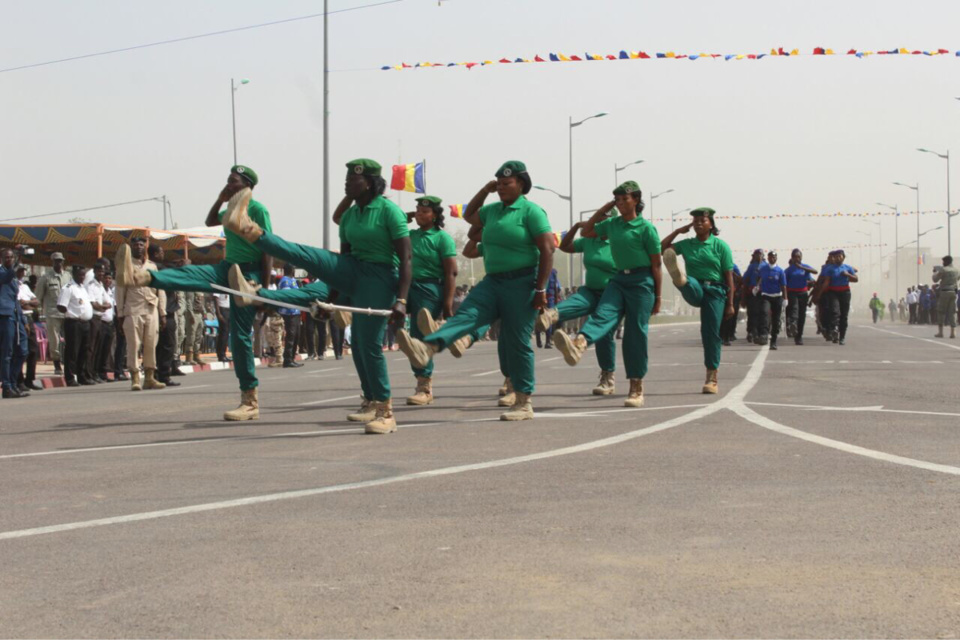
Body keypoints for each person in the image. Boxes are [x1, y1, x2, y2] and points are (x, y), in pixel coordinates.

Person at [223, 158, 412, 433]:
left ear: (369, 182)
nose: (347, 183)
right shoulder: (349, 216)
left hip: (380, 277)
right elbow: (343, 260)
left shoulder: (388, 211)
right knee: (307, 256)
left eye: (353, 179)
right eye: (346, 179)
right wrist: (332, 300)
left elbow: (406, 258)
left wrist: (402, 300)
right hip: (353, 269)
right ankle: (247, 229)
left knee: (366, 343)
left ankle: (385, 412)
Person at [394, 160, 554, 421]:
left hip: (523, 282)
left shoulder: (531, 212)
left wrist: (540, 289)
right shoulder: (491, 211)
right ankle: (429, 347)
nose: (501, 188)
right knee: (467, 313)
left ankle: (523, 401)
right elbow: (469, 216)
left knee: (516, 342)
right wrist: (485, 190)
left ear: (521, 184)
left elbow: (547, 249)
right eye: (499, 184)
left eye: (507, 183)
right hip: (493, 281)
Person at [116, 165, 271, 419]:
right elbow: (210, 221)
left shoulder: (257, 209)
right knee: (192, 274)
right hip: (227, 267)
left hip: (249, 274)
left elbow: (267, 248)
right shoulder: (231, 209)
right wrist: (221, 199)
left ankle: (250, 400)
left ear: (246, 186)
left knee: (240, 336)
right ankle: (141, 276)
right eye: (227, 181)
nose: (228, 185)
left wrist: (263, 286)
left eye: (233, 182)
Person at [552, 181, 662, 406]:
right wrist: (606, 206)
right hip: (619, 279)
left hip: (641, 282)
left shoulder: (646, 229)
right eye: (618, 200)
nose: (621, 204)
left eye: (625, 199)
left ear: (636, 200)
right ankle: (579, 343)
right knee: (603, 313)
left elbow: (657, 265)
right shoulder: (612, 224)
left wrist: (658, 297)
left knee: (635, 334)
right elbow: (586, 230)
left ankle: (636, 386)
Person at [539, 211, 620, 396]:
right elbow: (564, 246)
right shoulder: (589, 240)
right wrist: (576, 226)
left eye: (605, 219)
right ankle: (551, 315)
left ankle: (607, 377)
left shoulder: (618, 241)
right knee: (577, 300)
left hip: (612, 293)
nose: (600, 223)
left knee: (604, 333)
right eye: (598, 219)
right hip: (591, 290)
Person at [660, 208, 736, 393]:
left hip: (715, 290)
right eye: (695, 221)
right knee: (689, 282)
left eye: (703, 220)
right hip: (695, 287)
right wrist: (678, 231)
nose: (698, 223)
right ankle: (680, 278)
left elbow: (729, 277)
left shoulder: (720, 246)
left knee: (710, 333)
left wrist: (730, 304)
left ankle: (712, 376)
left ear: (711, 224)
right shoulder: (686, 244)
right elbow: (661, 248)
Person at [401, 195, 457, 406]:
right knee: (400, 330)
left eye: (425, 211)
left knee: (418, 334)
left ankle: (424, 386)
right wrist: (405, 217)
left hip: (431, 287)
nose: (419, 214)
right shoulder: (409, 234)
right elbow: (390, 233)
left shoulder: (442, 238)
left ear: (434, 216)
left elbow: (451, 272)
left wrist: (448, 304)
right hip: (407, 285)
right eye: (417, 211)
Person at [115, 237, 166, 390]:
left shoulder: (152, 266)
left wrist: (162, 312)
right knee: (134, 345)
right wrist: (120, 313)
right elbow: (120, 290)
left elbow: (160, 289)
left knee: (151, 344)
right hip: (133, 309)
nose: (138, 247)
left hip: (151, 309)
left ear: (145, 247)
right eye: (135, 245)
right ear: (131, 247)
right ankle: (135, 378)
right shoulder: (126, 265)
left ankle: (150, 378)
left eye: (141, 245)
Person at [56, 263, 96, 387]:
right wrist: (71, 313)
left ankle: (82, 376)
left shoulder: (82, 287)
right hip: (74, 323)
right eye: (80, 274)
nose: (82, 277)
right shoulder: (68, 288)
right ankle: (70, 377)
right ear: (74, 274)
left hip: (85, 323)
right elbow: (61, 306)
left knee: (84, 351)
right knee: (72, 351)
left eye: (83, 274)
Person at [149, 244, 182, 387]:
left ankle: (158, 373)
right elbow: (169, 272)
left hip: (166, 310)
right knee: (167, 345)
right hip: (164, 312)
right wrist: (181, 266)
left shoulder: (157, 266)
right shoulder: (156, 267)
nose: (163, 254)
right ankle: (163, 374)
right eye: (161, 252)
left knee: (161, 345)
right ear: (155, 254)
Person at [34, 251, 71, 374]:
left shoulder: (68, 276)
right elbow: (38, 296)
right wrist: (35, 311)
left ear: (63, 262)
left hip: (67, 312)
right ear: (52, 262)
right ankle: (57, 364)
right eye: (56, 261)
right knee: (54, 340)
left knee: (70, 339)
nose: (58, 263)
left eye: (60, 261)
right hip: (52, 313)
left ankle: (69, 363)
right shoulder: (46, 278)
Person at [1, 248, 30, 398]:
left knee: (22, 351)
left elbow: (15, 299)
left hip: (16, 316)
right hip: (4, 316)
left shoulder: (12, 276)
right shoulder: (3, 273)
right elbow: (6, 277)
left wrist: (23, 319)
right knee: (7, 353)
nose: (9, 259)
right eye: (6, 257)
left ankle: (12, 383)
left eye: (11, 257)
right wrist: (18, 259)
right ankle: (7, 387)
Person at [817, 249, 858, 345]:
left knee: (844, 315)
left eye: (840, 256)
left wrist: (847, 274)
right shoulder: (830, 269)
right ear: (834, 258)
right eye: (836, 256)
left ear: (843, 257)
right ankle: (834, 329)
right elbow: (826, 282)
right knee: (835, 311)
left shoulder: (847, 268)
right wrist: (819, 294)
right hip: (833, 292)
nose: (838, 258)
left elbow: (856, 279)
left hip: (845, 292)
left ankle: (842, 336)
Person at [84, 259, 113, 383]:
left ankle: (95, 373)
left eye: (103, 271)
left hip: (100, 319)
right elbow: (94, 304)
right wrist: (102, 307)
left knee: (99, 349)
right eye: (99, 271)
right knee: (91, 348)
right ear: (94, 271)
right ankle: (88, 373)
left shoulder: (100, 286)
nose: (101, 273)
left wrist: (102, 306)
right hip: (94, 319)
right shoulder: (90, 285)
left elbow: (108, 303)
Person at [783, 249, 816, 345]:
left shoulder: (805, 268)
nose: (797, 258)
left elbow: (815, 271)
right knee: (794, 309)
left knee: (802, 315)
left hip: (803, 293)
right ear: (792, 258)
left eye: (799, 257)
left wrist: (802, 267)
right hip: (792, 293)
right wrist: (784, 297)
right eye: (795, 257)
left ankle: (799, 336)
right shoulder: (788, 270)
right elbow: (784, 284)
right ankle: (792, 324)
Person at [757, 250, 787, 349]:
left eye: (774, 257)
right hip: (766, 295)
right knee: (764, 313)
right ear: (768, 258)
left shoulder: (780, 271)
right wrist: (756, 287)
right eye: (770, 257)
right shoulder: (763, 269)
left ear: (776, 258)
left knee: (776, 320)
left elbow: (783, 286)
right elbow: (759, 279)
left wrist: (785, 298)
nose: (772, 259)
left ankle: (773, 341)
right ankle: (764, 334)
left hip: (777, 297)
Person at [276, 264, 304, 368]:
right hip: (289, 312)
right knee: (291, 336)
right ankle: (287, 359)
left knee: (296, 335)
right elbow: (288, 295)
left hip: (296, 312)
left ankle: (291, 358)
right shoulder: (285, 281)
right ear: (291, 270)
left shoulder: (293, 280)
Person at [740, 249, 764, 344]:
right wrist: (744, 296)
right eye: (757, 255)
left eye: (760, 254)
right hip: (753, 293)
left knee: (762, 314)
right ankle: (752, 332)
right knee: (753, 313)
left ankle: (761, 332)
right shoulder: (752, 266)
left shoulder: (766, 266)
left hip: (763, 293)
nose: (759, 256)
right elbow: (745, 280)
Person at [932, 255, 959, 338]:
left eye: (944, 261)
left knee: (941, 311)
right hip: (953, 292)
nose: (943, 263)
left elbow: (935, 279)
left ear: (947, 262)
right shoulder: (957, 270)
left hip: (944, 292)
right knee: (952, 312)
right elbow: (957, 279)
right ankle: (953, 332)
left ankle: (940, 332)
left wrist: (936, 272)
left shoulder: (943, 270)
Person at [535, 268, 562, 349]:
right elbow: (556, 287)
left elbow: (555, 287)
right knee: (547, 319)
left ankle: (541, 338)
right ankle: (546, 341)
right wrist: (556, 298)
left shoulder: (539, 270)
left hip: (543, 296)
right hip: (548, 297)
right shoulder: (552, 271)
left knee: (540, 318)